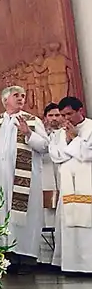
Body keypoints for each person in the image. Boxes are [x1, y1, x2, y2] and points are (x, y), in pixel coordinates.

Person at [0, 85, 50, 273]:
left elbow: (45, 146)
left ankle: (26, 258)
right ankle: (6, 257)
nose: (21, 98)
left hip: (25, 181)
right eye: (16, 95)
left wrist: (28, 133)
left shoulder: (32, 121)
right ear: (5, 99)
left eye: (23, 95)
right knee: (2, 215)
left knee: (24, 217)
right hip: (0, 180)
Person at [52, 96, 92, 274]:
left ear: (80, 111)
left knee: (87, 223)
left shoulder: (90, 128)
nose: (65, 118)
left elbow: (88, 154)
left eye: (69, 114)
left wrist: (74, 139)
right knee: (68, 223)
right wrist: (72, 144)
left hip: (88, 183)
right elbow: (55, 155)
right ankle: (71, 265)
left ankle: (88, 265)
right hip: (68, 185)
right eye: (62, 115)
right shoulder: (59, 133)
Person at [41, 102, 66, 266]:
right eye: (51, 115)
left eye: (57, 115)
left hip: (63, 176)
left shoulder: (67, 133)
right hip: (46, 176)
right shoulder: (42, 135)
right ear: (45, 118)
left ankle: (61, 256)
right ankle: (45, 258)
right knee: (47, 215)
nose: (54, 118)